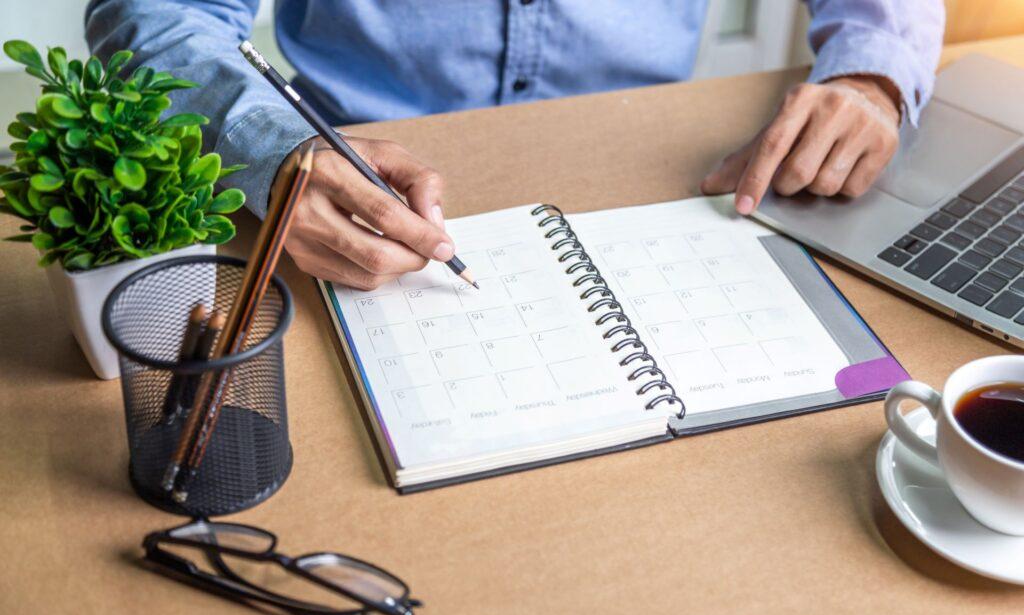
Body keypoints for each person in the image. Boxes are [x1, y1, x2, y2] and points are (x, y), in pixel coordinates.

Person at [86, 1, 944, 290]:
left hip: (662, 176)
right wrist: (267, 148)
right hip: (349, 180)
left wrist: (872, 75)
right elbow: (155, 14)